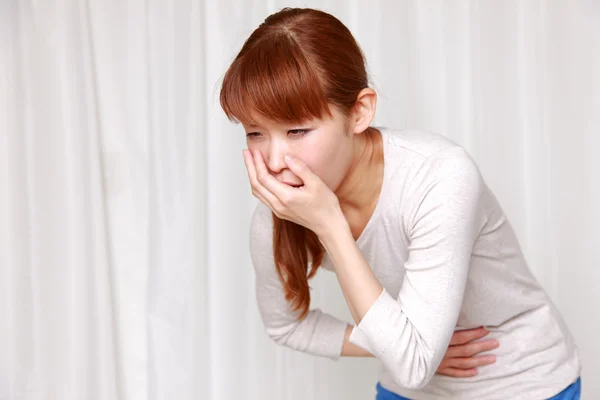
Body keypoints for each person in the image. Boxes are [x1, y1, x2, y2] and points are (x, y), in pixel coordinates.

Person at [219, 7, 582, 400]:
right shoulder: (279, 215)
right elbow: (288, 326)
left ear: (359, 112)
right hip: (411, 384)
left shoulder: (439, 177)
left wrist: (330, 225)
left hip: (520, 380)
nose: (273, 162)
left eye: (298, 130)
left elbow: (413, 364)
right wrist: (398, 346)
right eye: (255, 133)